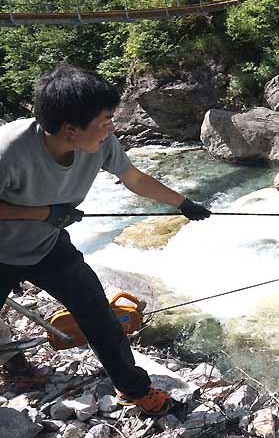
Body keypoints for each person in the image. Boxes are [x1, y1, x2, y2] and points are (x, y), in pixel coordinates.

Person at [0, 65, 212, 415]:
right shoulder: (9, 151)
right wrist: (44, 213)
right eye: (106, 119)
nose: (113, 126)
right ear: (71, 130)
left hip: (46, 246)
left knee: (100, 317)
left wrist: (182, 203)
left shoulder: (100, 142)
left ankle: (134, 390)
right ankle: (13, 361)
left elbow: (133, 178)